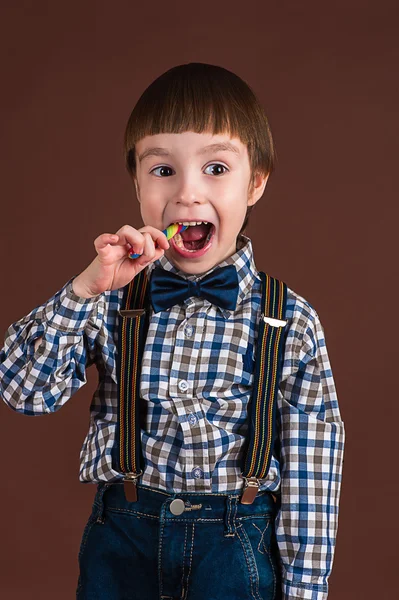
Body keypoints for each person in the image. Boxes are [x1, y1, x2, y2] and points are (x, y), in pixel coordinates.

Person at [0, 62, 345, 600]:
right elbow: (24, 391)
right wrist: (83, 292)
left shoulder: (290, 320)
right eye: (163, 171)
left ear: (255, 183)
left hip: (235, 547)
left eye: (215, 168)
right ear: (137, 184)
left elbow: (314, 469)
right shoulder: (109, 298)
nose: (187, 194)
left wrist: (304, 590)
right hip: (122, 542)